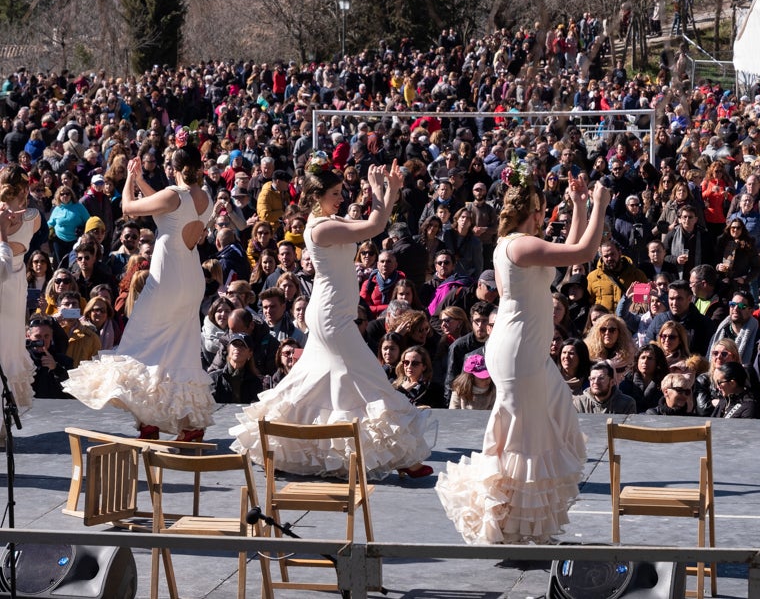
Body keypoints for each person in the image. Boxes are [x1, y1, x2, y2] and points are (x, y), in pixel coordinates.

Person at [436, 170, 610, 545]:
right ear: (530, 212)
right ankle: (506, 522)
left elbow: (566, 255)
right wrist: (599, 205)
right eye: (542, 211)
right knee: (524, 435)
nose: (544, 217)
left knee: (555, 412)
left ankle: (520, 519)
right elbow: (583, 252)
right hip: (518, 350)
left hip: (524, 347)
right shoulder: (518, 247)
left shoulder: (518, 244)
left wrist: (578, 204)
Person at [229, 164, 434, 479]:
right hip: (331, 316)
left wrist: (387, 189)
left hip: (333, 311)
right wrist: (375, 185)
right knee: (371, 377)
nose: (341, 198)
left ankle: (275, 438)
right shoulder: (321, 228)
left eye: (341, 192)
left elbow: (372, 222)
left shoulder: (330, 220)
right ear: (316, 196)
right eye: (335, 194)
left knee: (316, 383)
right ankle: (401, 454)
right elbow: (376, 226)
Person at [64, 146, 215, 441]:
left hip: (168, 279)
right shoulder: (204, 197)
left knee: (138, 344)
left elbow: (128, 208)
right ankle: (189, 424)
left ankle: (148, 421)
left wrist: (129, 183)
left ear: (173, 168)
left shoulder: (174, 195)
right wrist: (139, 178)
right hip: (192, 279)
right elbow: (162, 202)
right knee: (181, 351)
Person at [0, 167, 41, 411]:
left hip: (4, 281)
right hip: (15, 288)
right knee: (9, 349)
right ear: (25, 189)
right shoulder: (33, 217)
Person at [709, 291, 760, 363]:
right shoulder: (718, 335)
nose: (735, 309)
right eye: (732, 304)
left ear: (751, 311)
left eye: (741, 306)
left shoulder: (759, 339)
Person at [573, 361, 637, 414]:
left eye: (601, 378)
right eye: (592, 378)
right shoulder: (579, 403)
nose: (596, 382)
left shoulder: (627, 404)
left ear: (612, 382)